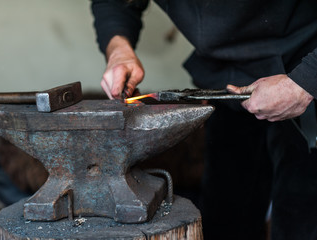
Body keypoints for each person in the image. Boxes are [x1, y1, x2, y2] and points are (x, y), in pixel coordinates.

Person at [91, 1, 317, 240]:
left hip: (304, 65)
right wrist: (118, 48)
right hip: (229, 85)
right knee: (226, 220)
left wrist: (306, 81)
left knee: (301, 220)